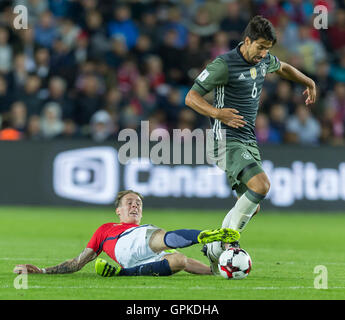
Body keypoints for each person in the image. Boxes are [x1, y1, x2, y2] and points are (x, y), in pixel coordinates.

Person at [184, 15, 316, 274]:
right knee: (261, 185)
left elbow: (285, 67)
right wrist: (217, 113)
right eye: (260, 47)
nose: (264, 53)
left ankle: (214, 250)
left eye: (268, 48)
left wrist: (308, 82)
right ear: (247, 41)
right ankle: (227, 241)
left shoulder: (264, 59)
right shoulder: (224, 64)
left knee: (251, 206)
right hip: (226, 138)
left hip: (248, 138)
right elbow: (191, 97)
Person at [13, 190, 240, 277]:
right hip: (125, 244)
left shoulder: (143, 228)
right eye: (130, 202)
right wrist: (42, 270)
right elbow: (78, 262)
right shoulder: (106, 229)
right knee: (159, 236)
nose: (135, 206)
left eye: (138, 203)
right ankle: (201, 235)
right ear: (118, 211)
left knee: (180, 260)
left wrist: (216, 272)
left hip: (139, 257)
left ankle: (124, 274)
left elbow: (189, 263)